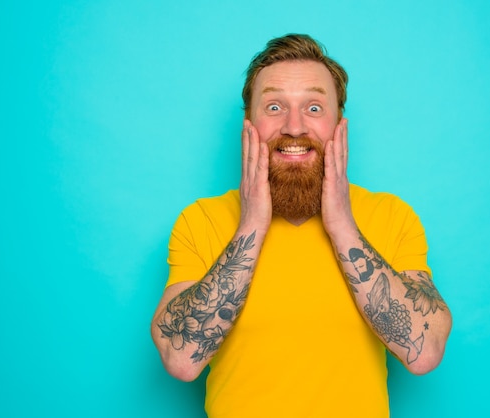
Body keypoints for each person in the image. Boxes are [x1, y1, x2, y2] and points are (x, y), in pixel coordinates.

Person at [151, 33, 452, 418]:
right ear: (249, 124)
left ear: (339, 125)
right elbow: (181, 359)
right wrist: (252, 224)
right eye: (274, 106)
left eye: (313, 107)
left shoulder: (391, 216)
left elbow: (424, 351)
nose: (294, 127)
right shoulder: (202, 220)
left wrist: (341, 223)